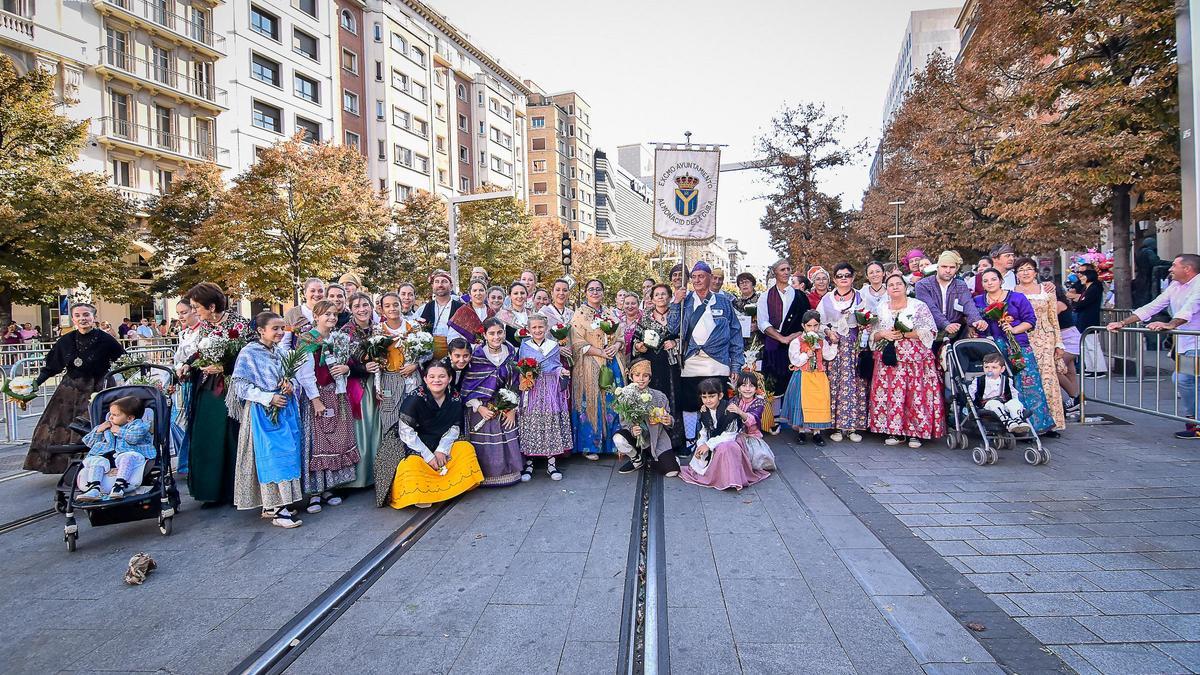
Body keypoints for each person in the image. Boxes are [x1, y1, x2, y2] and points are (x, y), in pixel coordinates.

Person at [23, 303, 125, 474]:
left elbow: (124, 362)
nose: (82, 318)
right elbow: (51, 367)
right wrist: (33, 385)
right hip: (70, 390)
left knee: (96, 423)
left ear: (94, 317)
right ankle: (65, 465)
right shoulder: (66, 341)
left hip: (99, 387)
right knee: (59, 425)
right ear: (73, 319)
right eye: (78, 315)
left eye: (86, 315)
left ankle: (97, 465)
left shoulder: (106, 339)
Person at [1108, 254, 1200, 438]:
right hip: (1185, 344)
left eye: (1174, 265)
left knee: (1183, 379)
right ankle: (1194, 420)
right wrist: (1124, 322)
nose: (1170, 269)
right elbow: (1153, 306)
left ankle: (1194, 420)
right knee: (1185, 380)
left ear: (1187, 269)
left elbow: (1190, 308)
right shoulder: (1175, 286)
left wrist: (1171, 324)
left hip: (1196, 343)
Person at [229, 312, 304, 528]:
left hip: (284, 411)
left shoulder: (279, 352)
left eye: (282, 328)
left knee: (286, 455)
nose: (280, 332)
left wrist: (290, 384)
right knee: (272, 458)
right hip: (263, 413)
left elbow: (290, 377)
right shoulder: (249, 353)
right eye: (275, 328)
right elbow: (240, 385)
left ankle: (276, 504)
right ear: (261, 330)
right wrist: (267, 397)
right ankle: (279, 510)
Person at [385, 361, 484, 509]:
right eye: (431, 376)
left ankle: (449, 486)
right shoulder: (414, 399)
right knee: (411, 464)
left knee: (465, 448)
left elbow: (454, 427)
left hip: (441, 440)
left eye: (441, 376)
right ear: (425, 379)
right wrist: (429, 456)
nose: (436, 380)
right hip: (415, 442)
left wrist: (441, 450)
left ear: (449, 378)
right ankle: (425, 492)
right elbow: (407, 433)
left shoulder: (455, 397)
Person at [294, 300, 361, 513]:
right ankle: (314, 492)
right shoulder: (307, 340)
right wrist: (315, 399)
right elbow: (303, 373)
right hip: (318, 394)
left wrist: (346, 369)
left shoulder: (338, 339)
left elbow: (347, 364)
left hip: (337, 392)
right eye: (326, 315)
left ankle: (328, 487)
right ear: (316, 316)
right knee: (317, 440)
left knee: (335, 440)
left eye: (333, 314)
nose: (331, 318)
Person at [185, 282, 248, 505]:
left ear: (211, 306)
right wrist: (187, 364)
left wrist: (225, 367)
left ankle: (234, 490)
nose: (195, 312)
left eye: (196, 307)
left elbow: (247, 356)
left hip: (230, 386)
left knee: (231, 435)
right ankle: (209, 490)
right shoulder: (204, 326)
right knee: (207, 435)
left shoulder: (239, 324)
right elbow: (201, 351)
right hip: (208, 387)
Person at [974, 268, 1056, 433]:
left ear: (1001, 281)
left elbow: (1030, 320)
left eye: (993, 279)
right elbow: (974, 321)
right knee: (999, 385)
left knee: (1028, 382)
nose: (989, 283)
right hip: (994, 348)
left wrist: (1014, 329)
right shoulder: (978, 301)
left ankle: (1037, 425)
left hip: (1018, 345)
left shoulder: (1017, 298)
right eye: (985, 281)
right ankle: (1007, 423)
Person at [868, 273, 946, 447]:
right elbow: (875, 332)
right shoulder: (882, 307)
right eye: (891, 285)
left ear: (905, 287)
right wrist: (883, 334)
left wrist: (905, 334)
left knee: (914, 393)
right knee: (892, 394)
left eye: (898, 284)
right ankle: (894, 431)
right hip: (889, 358)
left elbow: (929, 331)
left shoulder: (918, 306)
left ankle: (915, 432)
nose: (895, 287)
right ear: (886, 289)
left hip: (914, 358)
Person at [678, 261, 745, 449]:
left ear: (709, 278)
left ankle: (716, 439)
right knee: (690, 404)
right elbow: (674, 328)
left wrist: (735, 365)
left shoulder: (724, 301)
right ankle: (691, 439)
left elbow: (735, 334)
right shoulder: (685, 301)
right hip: (691, 360)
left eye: (701, 276)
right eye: (694, 277)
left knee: (715, 403)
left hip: (718, 361)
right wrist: (676, 303)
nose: (697, 280)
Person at [678, 378, 769, 491]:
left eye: (712, 396)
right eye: (704, 397)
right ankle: (717, 477)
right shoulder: (704, 411)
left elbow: (730, 435)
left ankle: (732, 479)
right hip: (713, 441)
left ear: (720, 396)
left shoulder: (729, 410)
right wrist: (701, 446)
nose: (708, 400)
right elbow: (703, 433)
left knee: (725, 447)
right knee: (711, 448)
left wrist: (709, 445)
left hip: (733, 441)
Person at [817, 263, 873, 442]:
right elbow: (817, 322)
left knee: (854, 384)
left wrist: (865, 325)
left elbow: (869, 319)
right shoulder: (826, 299)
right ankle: (836, 426)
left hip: (854, 346)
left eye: (847, 275)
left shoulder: (860, 297)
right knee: (835, 384)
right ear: (834, 279)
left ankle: (852, 427)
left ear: (853, 277)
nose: (843, 278)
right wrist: (828, 332)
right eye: (840, 276)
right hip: (833, 347)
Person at [463, 318, 522, 486]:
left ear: (504, 333)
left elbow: (517, 382)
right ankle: (484, 476)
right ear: (484, 335)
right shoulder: (477, 355)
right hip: (482, 405)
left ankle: (509, 473)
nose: (496, 337)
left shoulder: (512, 352)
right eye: (492, 333)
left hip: (506, 403)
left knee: (508, 427)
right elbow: (468, 385)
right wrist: (479, 407)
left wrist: (511, 408)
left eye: (499, 333)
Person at [571, 279, 624, 459]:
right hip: (589, 364)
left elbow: (620, 336)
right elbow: (577, 343)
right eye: (591, 289)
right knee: (590, 403)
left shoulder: (609, 312)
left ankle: (614, 443)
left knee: (612, 402)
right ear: (586, 292)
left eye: (598, 289)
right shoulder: (579, 314)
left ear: (603, 292)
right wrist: (600, 352)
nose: (595, 292)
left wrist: (615, 346)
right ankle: (590, 446)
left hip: (610, 362)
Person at [1014, 257, 1067, 430]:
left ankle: (1052, 421)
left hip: (1045, 338)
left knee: (1047, 380)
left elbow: (1054, 319)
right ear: (1016, 274)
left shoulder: (1047, 291)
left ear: (1035, 272)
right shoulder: (1011, 292)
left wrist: (1059, 343)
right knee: (1027, 380)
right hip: (1022, 338)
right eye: (1021, 270)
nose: (1025, 273)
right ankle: (1031, 422)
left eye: (1029, 269)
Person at [517, 314, 572, 481]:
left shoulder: (553, 345)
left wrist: (561, 371)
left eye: (540, 327)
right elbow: (521, 366)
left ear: (546, 328)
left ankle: (551, 463)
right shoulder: (524, 346)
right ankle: (529, 463)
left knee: (550, 421)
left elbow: (555, 365)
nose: (537, 330)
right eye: (534, 327)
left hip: (549, 388)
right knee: (532, 422)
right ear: (529, 329)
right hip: (532, 389)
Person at [757, 258, 810, 424]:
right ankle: (773, 418)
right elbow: (762, 323)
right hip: (774, 344)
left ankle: (794, 417)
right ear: (775, 272)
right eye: (782, 270)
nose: (786, 272)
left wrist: (796, 335)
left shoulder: (800, 296)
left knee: (794, 380)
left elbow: (807, 319)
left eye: (788, 269)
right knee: (773, 381)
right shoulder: (765, 297)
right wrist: (781, 338)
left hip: (796, 343)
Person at [633, 284, 685, 453]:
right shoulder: (645, 317)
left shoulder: (678, 314)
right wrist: (639, 346)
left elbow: (687, 337)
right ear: (652, 298)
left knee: (673, 397)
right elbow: (635, 340)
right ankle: (650, 442)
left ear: (670, 297)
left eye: (664, 294)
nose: (661, 297)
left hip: (671, 364)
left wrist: (676, 342)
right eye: (657, 294)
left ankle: (674, 441)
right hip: (652, 363)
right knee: (651, 399)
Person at [75, 395, 155, 501]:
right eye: (110, 414)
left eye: (115, 415)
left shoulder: (139, 425)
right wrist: (99, 430)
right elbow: (90, 442)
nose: (110, 418)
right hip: (108, 455)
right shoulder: (108, 426)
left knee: (127, 457)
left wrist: (119, 431)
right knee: (96, 461)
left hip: (131, 454)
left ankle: (119, 485)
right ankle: (94, 488)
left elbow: (134, 438)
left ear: (130, 418)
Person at [611, 358, 682, 476]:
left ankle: (656, 459)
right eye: (637, 375)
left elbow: (669, 418)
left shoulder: (660, 396)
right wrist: (632, 430)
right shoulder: (624, 396)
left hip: (656, 438)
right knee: (618, 438)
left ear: (649, 378)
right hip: (636, 438)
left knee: (672, 472)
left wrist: (669, 421)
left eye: (645, 376)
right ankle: (636, 459)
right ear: (631, 376)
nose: (641, 379)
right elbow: (624, 423)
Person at [341, 292, 382, 490]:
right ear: (350, 309)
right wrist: (363, 368)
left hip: (379, 382)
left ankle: (378, 474)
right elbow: (342, 363)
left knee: (377, 428)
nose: (362, 309)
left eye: (365, 305)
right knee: (362, 429)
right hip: (358, 385)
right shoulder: (345, 332)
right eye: (357, 306)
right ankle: (360, 477)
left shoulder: (379, 328)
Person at [913, 251, 988, 356]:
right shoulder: (922, 285)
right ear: (937, 267)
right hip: (929, 336)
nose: (948, 271)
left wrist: (977, 320)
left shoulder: (960, 285)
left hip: (954, 335)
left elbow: (968, 304)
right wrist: (945, 324)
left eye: (952, 267)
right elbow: (930, 308)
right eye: (944, 266)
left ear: (956, 269)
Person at [781, 310, 835, 445]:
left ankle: (817, 432)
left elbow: (828, 356)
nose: (813, 328)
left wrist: (834, 343)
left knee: (818, 402)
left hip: (818, 376)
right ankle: (801, 431)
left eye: (815, 325)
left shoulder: (821, 341)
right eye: (809, 326)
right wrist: (807, 355)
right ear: (803, 326)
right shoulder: (797, 342)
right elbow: (795, 361)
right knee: (801, 402)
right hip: (803, 375)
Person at [172, 297, 201, 477]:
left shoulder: (203, 332)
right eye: (178, 314)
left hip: (198, 378)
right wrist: (178, 369)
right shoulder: (184, 333)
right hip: (186, 380)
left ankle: (190, 463)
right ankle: (186, 463)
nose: (181, 317)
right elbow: (178, 358)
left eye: (184, 312)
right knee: (184, 420)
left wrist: (188, 366)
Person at [968, 352, 1032, 434]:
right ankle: (1008, 422)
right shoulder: (979, 381)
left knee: (1014, 403)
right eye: (986, 367)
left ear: (1002, 369)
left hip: (1003, 402)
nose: (989, 370)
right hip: (987, 403)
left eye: (994, 367)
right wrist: (972, 406)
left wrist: (1016, 403)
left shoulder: (1007, 380)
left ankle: (1018, 420)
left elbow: (1013, 393)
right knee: (994, 403)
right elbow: (971, 394)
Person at [729, 370, 775, 470]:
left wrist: (739, 412)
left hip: (752, 439)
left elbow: (752, 420)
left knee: (754, 463)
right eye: (744, 385)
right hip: (734, 436)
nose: (747, 389)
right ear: (739, 388)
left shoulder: (759, 402)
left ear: (756, 389)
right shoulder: (734, 400)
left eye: (751, 386)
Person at [418, 270, 464, 360]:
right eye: (437, 282)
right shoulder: (425, 308)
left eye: (444, 281)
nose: (440, 285)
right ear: (432, 286)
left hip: (454, 354)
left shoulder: (461, 308)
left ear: (451, 286)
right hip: (428, 356)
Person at [1054, 284, 1083, 416]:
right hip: (1064, 339)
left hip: (1070, 340)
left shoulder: (1058, 304)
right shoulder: (1060, 302)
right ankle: (1074, 399)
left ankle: (1075, 398)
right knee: (1070, 371)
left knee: (1055, 369)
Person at [1075, 268, 1107, 377]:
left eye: (1084, 276)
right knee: (1086, 345)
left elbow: (1084, 302)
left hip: (1090, 319)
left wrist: (1077, 304)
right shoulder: (1086, 288)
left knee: (1093, 345)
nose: (1081, 278)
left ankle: (1099, 369)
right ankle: (1090, 368)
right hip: (1083, 319)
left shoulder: (1095, 288)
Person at [285, 278, 326, 348]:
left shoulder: (329, 313)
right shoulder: (292, 314)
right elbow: (284, 343)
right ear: (305, 293)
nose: (317, 294)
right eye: (312, 291)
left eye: (320, 291)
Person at [449, 279, 492, 344]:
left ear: (486, 293)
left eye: (481, 290)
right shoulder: (462, 311)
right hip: (466, 351)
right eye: (474, 290)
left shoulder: (492, 313)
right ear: (469, 294)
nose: (478, 293)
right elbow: (452, 337)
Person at [495, 281, 532, 348]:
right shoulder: (502, 315)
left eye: (522, 293)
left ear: (527, 295)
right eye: (515, 293)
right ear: (510, 296)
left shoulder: (532, 314)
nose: (519, 296)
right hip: (511, 353)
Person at [1133, 237, 1164, 308]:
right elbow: (1155, 262)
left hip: (1140, 276)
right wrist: (1170, 263)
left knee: (1141, 296)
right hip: (1148, 276)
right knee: (1147, 296)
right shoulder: (1149, 251)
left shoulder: (1139, 252)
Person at [733, 272, 760, 348]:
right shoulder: (735, 303)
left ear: (753, 284)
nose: (744, 284)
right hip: (739, 343)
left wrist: (758, 326)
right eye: (741, 283)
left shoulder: (761, 300)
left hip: (757, 341)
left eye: (747, 282)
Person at [618, 292, 643, 361]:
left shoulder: (645, 319)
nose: (630, 306)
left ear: (638, 304)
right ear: (623, 305)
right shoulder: (617, 320)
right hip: (621, 359)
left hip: (640, 360)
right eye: (627, 303)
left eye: (633, 303)